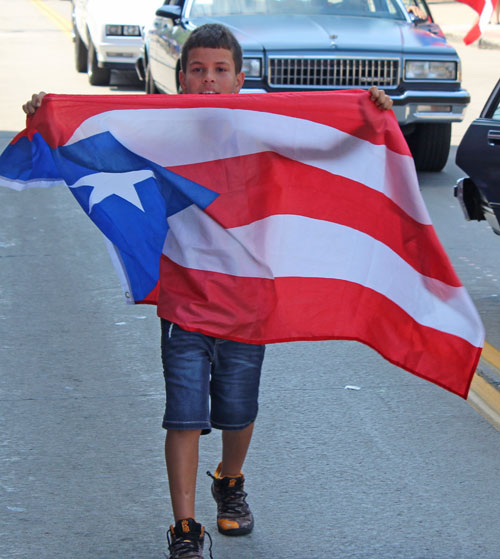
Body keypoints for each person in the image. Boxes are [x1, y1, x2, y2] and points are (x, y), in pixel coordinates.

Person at [23, 23, 393, 559]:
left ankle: (231, 480)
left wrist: (366, 110)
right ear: (180, 80)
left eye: (221, 70)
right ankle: (185, 526)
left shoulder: (261, 129)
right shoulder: (157, 131)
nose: (210, 79)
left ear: (241, 79)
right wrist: (48, 111)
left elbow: (324, 141)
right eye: (198, 69)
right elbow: (90, 137)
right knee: (184, 414)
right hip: (186, 299)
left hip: (247, 300)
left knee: (238, 412)